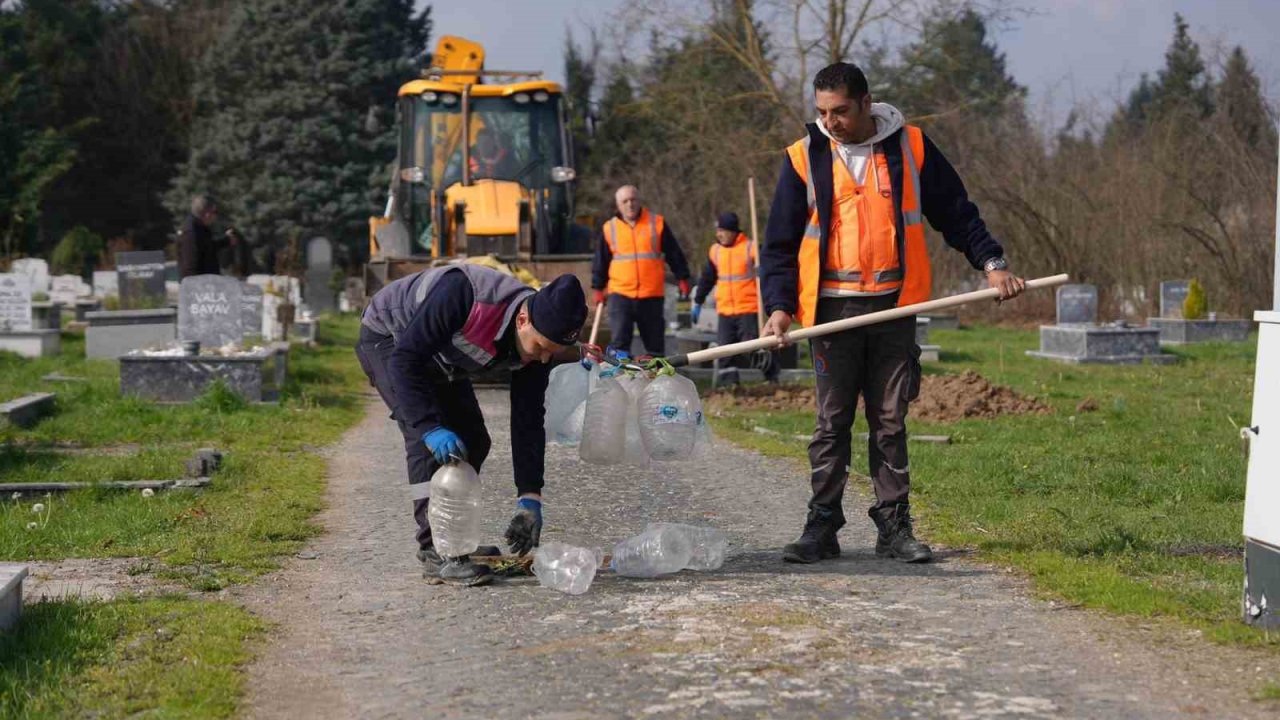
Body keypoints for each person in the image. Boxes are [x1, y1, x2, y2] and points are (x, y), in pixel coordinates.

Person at [760, 62, 1026, 565]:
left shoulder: (912, 147)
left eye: (840, 111)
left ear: (866, 103)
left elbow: (957, 213)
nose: (830, 122)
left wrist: (992, 264)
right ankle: (822, 525)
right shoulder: (804, 157)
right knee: (831, 422)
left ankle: (894, 525)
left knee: (889, 420)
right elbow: (779, 244)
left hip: (895, 307)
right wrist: (778, 308)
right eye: (822, 112)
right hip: (831, 312)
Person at [356, 264, 587, 587]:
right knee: (425, 441)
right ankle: (435, 551)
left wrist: (529, 496)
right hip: (390, 339)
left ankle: (455, 541)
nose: (545, 359)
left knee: (474, 440)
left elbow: (528, 421)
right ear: (522, 319)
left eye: (553, 353)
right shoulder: (464, 296)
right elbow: (405, 361)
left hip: (439, 354)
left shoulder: (538, 344)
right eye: (541, 348)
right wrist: (429, 427)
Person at [590, 185, 692, 357]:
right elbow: (601, 261)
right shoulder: (609, 228)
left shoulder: (656, 223)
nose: (630, 204)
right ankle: (621, 371)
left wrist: (682, 277)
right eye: (625, 201)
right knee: (619, 344)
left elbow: (674, 252)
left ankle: (656, 373)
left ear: (639, 201)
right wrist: (598, 288)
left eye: (633, 200)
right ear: (618, 205)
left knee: (654, 346)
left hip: (651, 294)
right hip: (620, 294)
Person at [693, 212, 778, 382]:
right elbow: (707, 278)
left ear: (732, 231)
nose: (719, 234)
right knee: (725, 351)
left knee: (753, 347)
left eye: (722, 230)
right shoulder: (716, 251)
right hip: (725, 310)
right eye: (718, 230)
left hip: (748, 308)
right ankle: (729, 386)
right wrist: (698, 301)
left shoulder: (750, 248)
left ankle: (772, 378)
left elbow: (770, 267)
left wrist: (763, 267)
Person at [176, 194, 237, 278]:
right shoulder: (190, 232)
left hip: (207, 282)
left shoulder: (200, 228)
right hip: (199, 284)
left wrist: (227, 240)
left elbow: (208, 247)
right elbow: (190, 266)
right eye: (215, 212)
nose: (216, 216)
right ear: (207, 213)